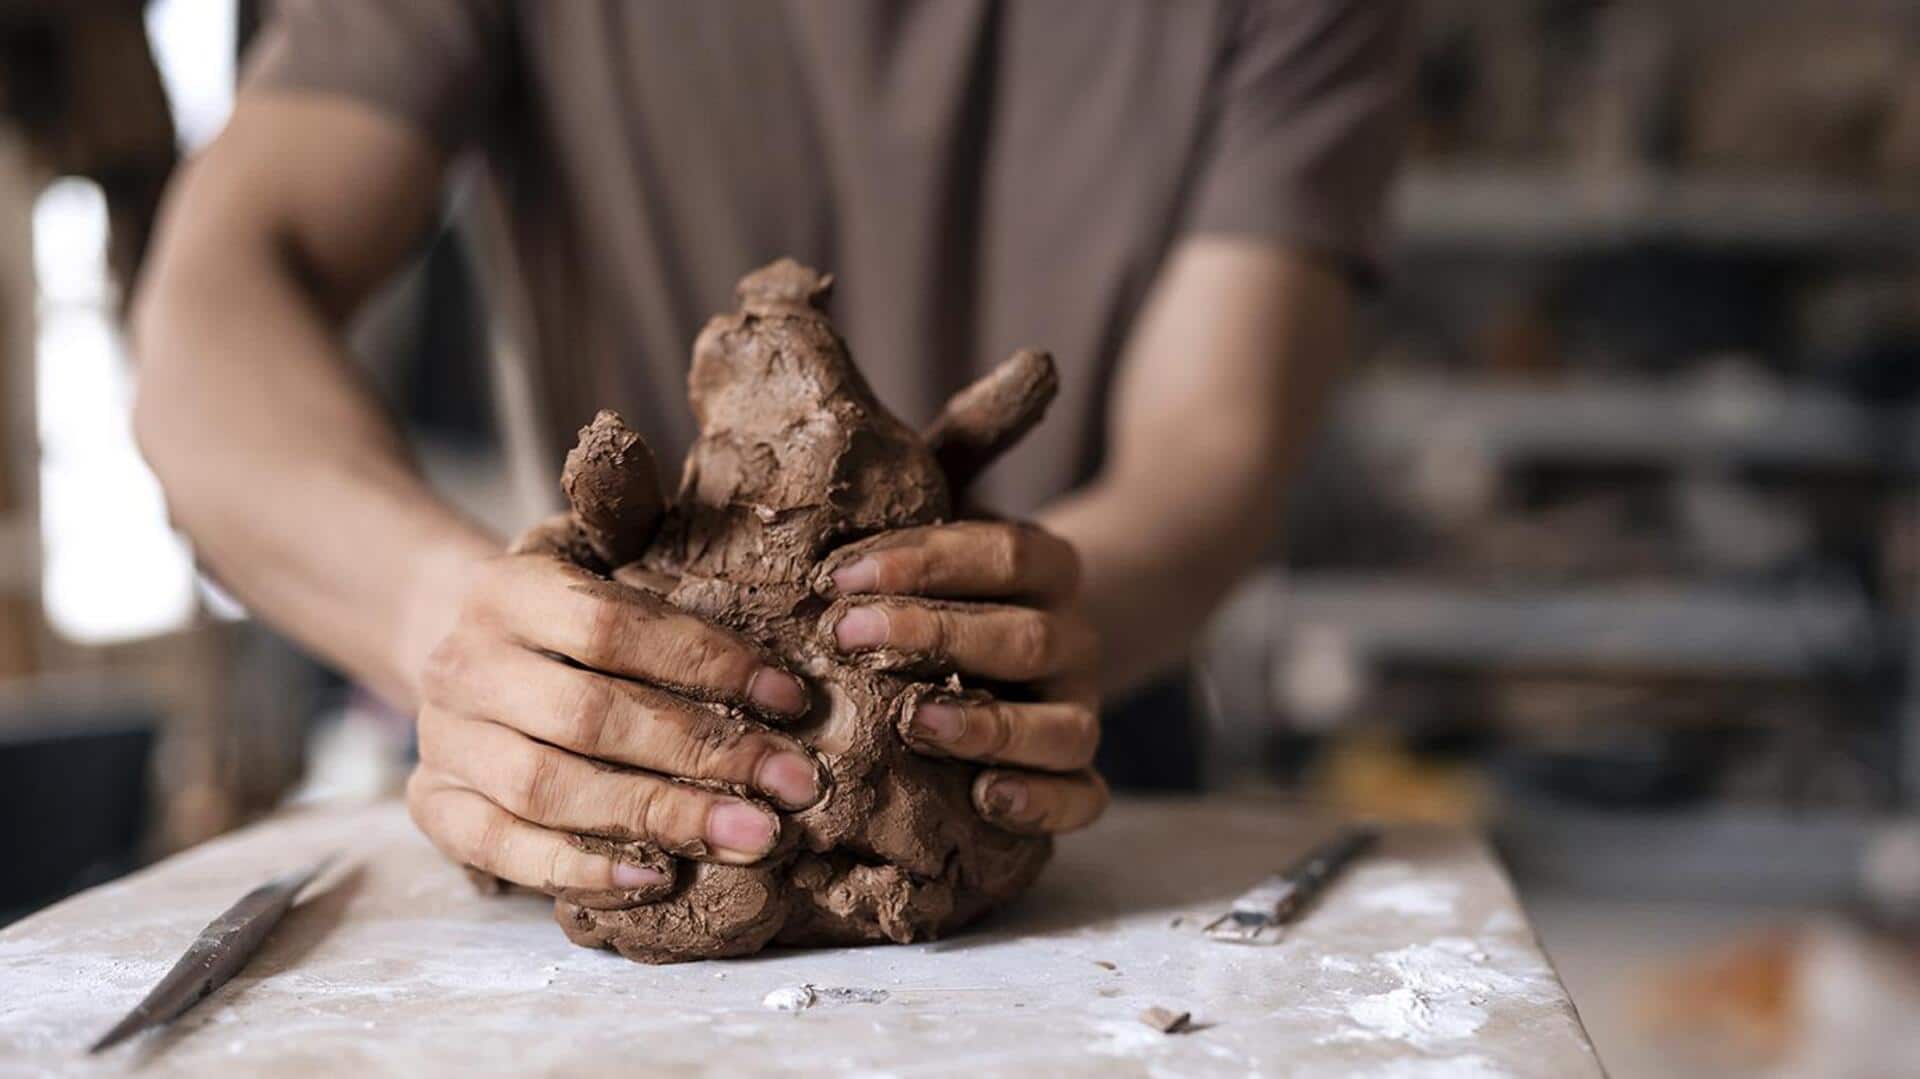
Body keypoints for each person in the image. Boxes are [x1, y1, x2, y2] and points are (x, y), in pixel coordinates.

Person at [131, 2, 1411, 898]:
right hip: (616, 730)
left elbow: (1213, 443)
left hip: (1051, 711)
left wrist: (1023, 615)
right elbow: (208, 323)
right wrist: (449, 616)